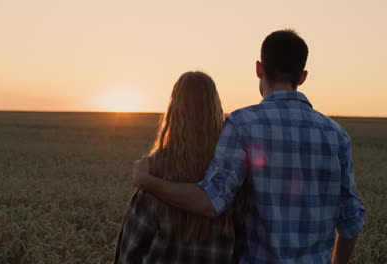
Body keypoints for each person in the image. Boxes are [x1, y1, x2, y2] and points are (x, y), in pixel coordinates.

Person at [133, 29, 365, 263]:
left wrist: (148, 182)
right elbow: (351, 220)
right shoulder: (336, 136)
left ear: (259, 69)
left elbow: (210, 203)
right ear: (302, 76)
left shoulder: (242, 124)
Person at [114, 71, 247, 264]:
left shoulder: (153, 170)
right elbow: (244, 244)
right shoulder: (231, 171)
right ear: (216, 109)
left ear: (174, 111)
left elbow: (130, 250)